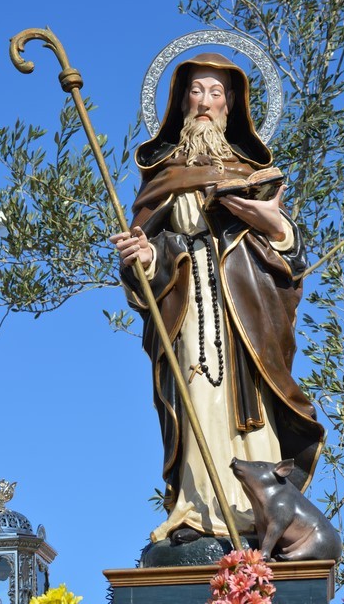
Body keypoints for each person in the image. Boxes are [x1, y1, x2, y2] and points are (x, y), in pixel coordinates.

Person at [110, 53, 324, 544]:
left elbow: (291, 258)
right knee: (198, 395)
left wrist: (276, 227)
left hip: (249, 308)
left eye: (215, 93)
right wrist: (146, 256)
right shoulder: (164, 176)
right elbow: (148, 253)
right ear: (181, 102)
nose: (205, 102)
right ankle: (199, 511)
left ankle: (257, 516)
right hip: (189, 303)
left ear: (231, 105)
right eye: (196, 91)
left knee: (254, 409)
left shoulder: (254, 173)